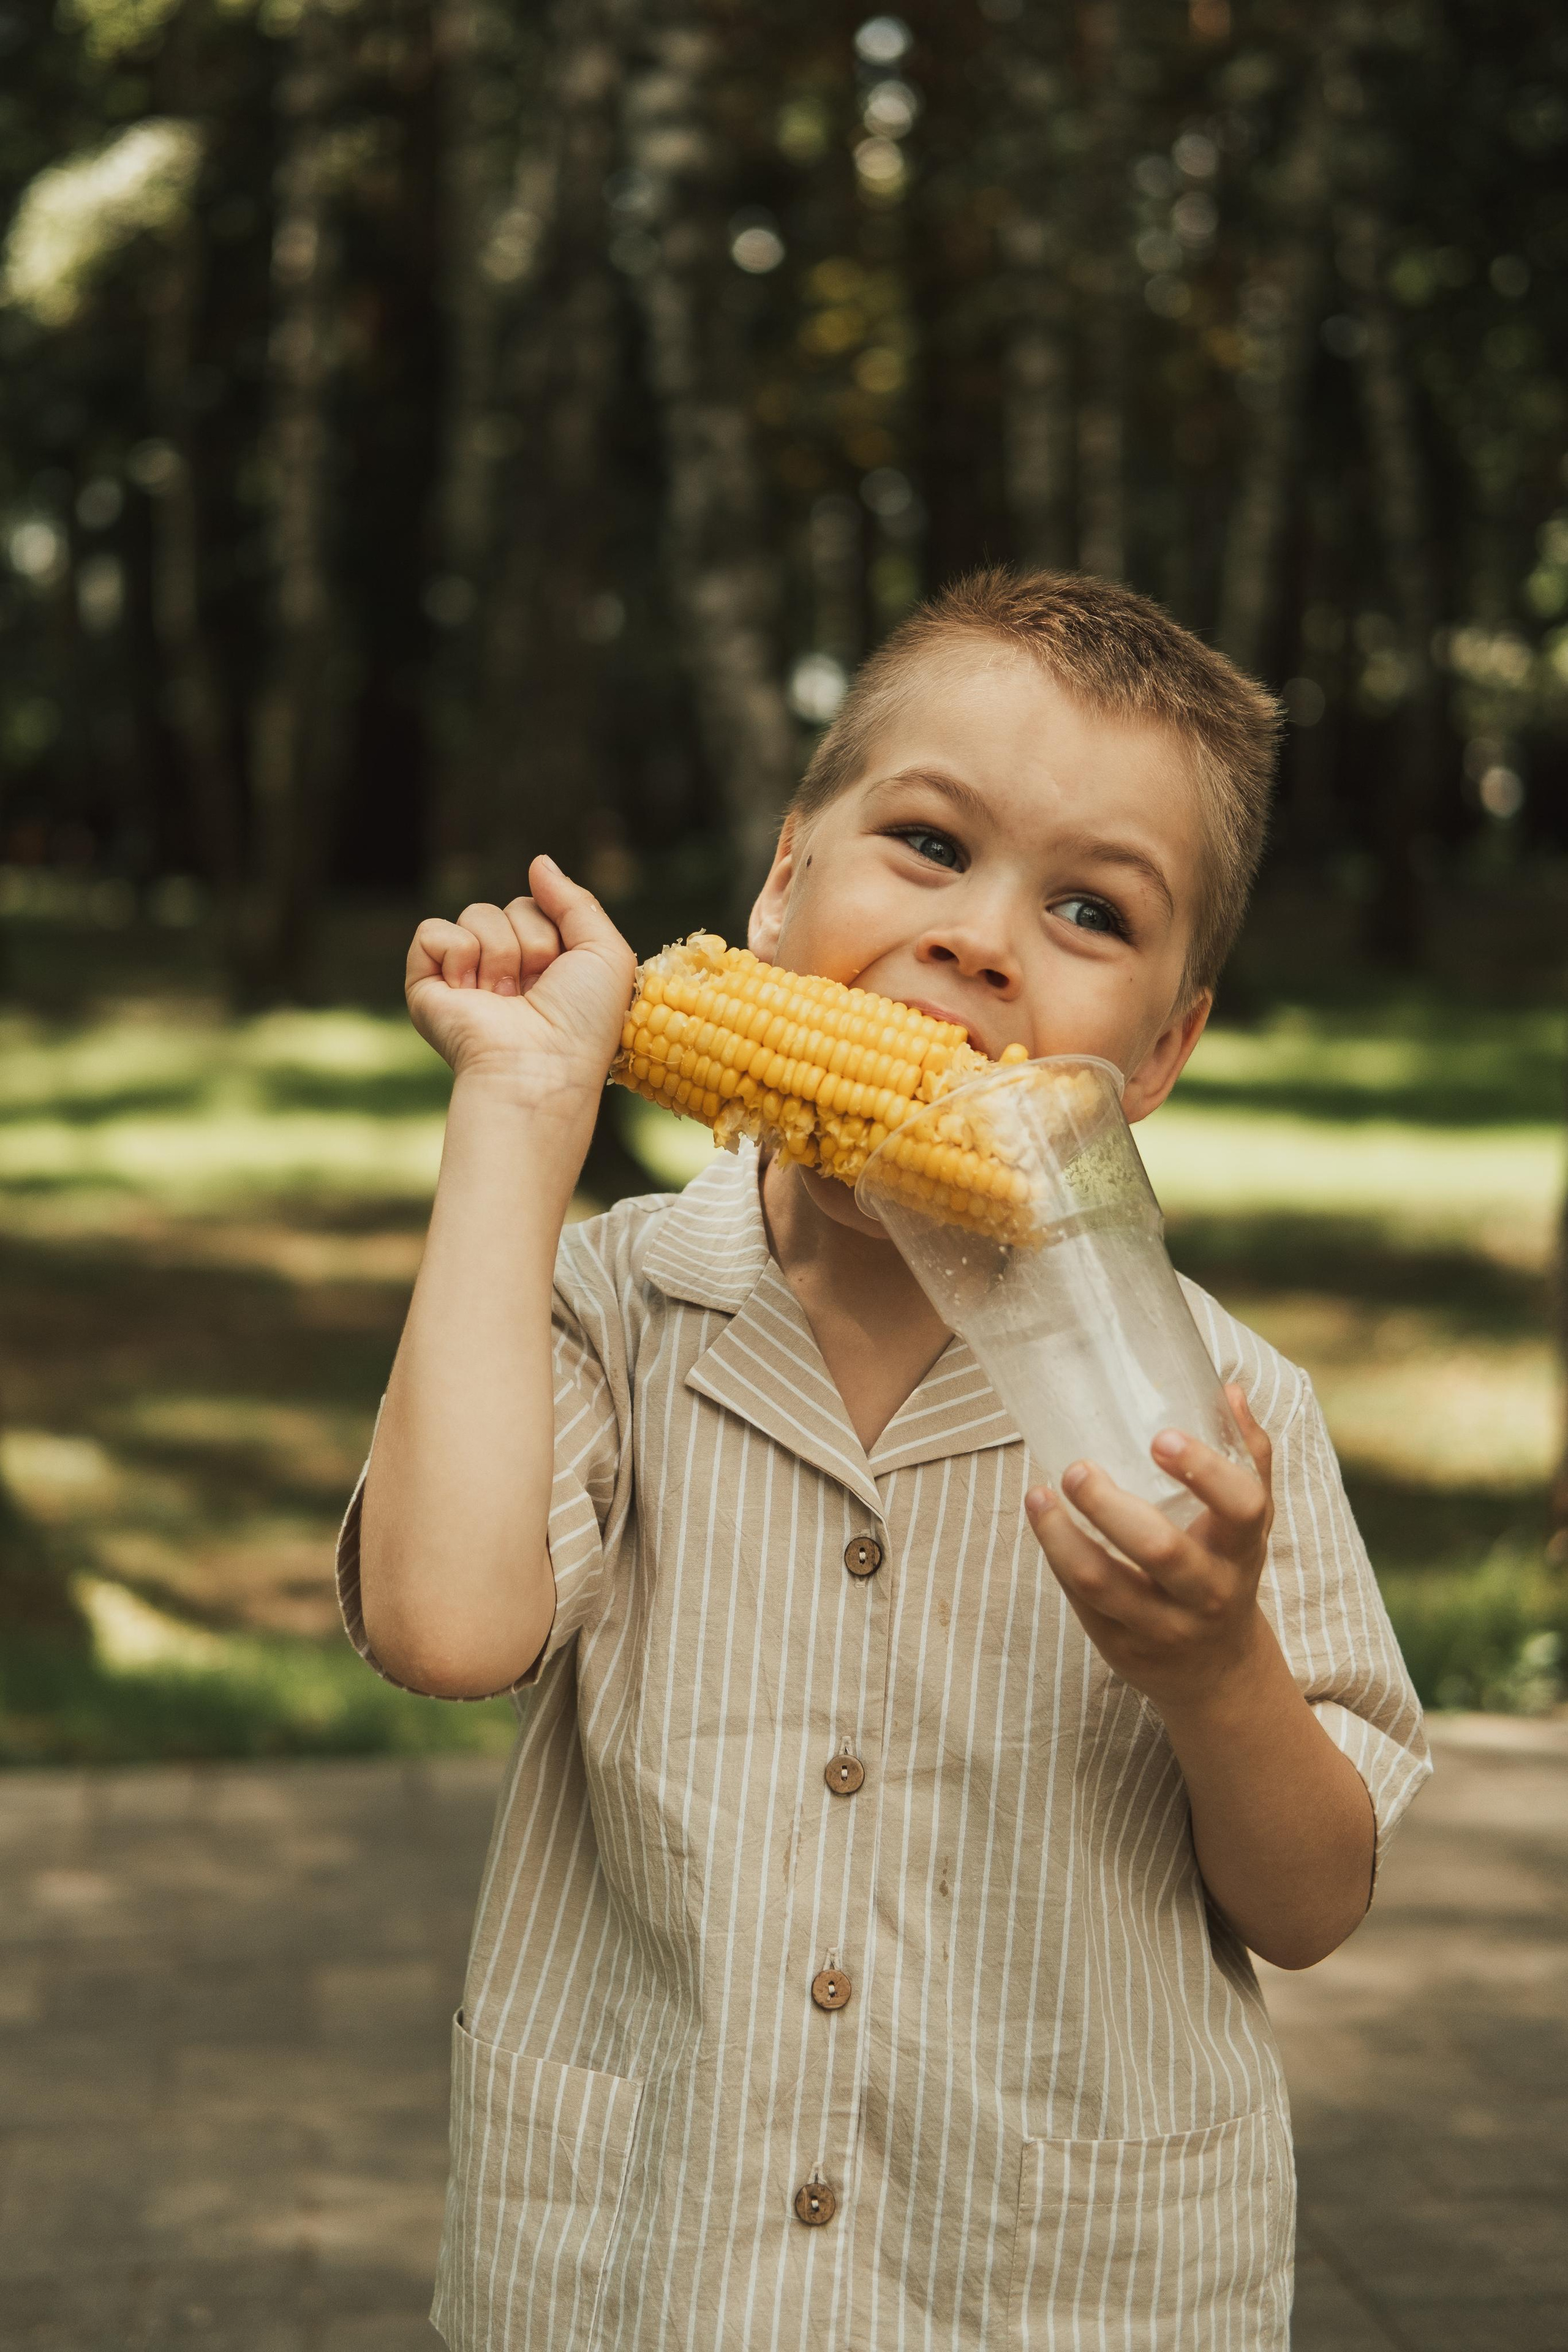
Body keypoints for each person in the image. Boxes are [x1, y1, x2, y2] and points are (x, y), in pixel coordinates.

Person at [339, 569, 1429, 2351]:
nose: (982, 941)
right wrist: (524, 1114)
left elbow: (1311, 1906)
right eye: (928, 845)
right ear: (782, 885)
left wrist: (1215, 1665)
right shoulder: (618, 1308)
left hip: (1061, 2288)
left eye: (1090, 909)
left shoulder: (1225, 1409)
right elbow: (444, 1629)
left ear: (1163, 1049)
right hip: (655, 2273)